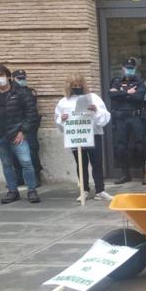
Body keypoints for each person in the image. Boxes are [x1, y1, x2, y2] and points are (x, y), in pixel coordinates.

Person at [55, 73, 112, 201]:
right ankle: (84, 190)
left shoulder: (93, 98)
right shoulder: (63, 102)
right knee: (81, 164)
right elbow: (58, 121)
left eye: (80, 85)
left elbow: (105, 117)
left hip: (93, 134)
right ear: (69, 86)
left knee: (96, 162)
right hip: (76, 136)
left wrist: (95, 110)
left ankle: (100, 190)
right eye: (75, 85)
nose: (78, 87)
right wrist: (61, 119)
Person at [0, 64, 40, 203]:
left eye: (1, 75)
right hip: (0, 135)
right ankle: (12, 191)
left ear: (8, 76)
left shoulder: (21, 92)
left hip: (17, 134)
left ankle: (32, 190)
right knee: (6, 164)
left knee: (26, 162)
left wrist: (23, 131)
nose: (0, 79)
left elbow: (31, 113)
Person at [109, 58, 146, 184]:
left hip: (135, 117)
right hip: (121, 118)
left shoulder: (140, 82)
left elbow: (139, 97)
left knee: (140, 146)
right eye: (127, 68)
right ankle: (125, 174)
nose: (129, 70)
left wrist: (121, 92)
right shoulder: (116, 81)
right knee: (121, 147)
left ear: (135, 69)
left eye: (131, 68)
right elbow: (112, 95)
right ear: (122, 68)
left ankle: (145, 174)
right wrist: (128, 92)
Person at [11, 69, 43, 187]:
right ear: (13, 79)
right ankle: (19, 178)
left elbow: (31, 111)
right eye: (19, 78)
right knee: (14, 153)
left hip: (29, 126)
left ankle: (36, 177)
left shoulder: (30, 92)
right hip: (13, 127)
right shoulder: (9, 92)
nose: (22, 80)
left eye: (23, 78)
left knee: (32, 151)